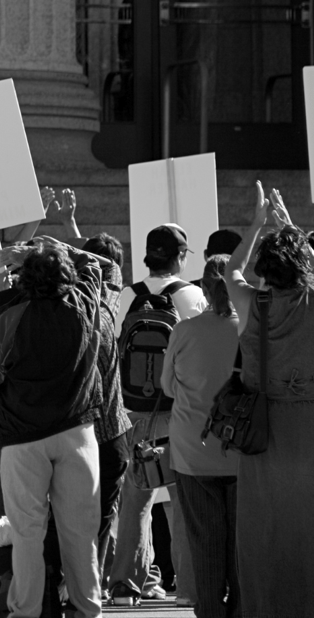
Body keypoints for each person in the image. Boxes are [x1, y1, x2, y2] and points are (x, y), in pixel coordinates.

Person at [0, 238, 105, 618]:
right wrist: (46, 248)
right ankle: (86, 606)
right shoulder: (84, 304)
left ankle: (25, 609)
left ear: (23, 279)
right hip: (77, 431)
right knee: (80, 532)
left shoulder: (9, 319)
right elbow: (97, 265)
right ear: (68, 277)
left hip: (22, 436)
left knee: (27, 532)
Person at [224, 182, 314, 618]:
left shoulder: (252, 304)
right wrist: (291, 228)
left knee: (263, 529)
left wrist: (256, 225)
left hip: (262, 425)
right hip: (308, 424)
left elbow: (230, 271)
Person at [109, 224, 202, 607]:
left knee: (136, 497)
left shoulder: (128, 294)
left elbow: (112, 349)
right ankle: (188, 587)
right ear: (179, 256)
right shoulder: (192, 296)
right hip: (176, 411)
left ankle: (124, 586)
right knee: (183, 498)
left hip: (132, 410)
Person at [162, 255, 240, 618]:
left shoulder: (184, 330)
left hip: (192, 447)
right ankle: (241, 607)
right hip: (242, 447)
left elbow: (167, 387)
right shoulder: (248, 329)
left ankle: (210, 609)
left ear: (204, 289)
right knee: (239, 538)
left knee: (204, 537)